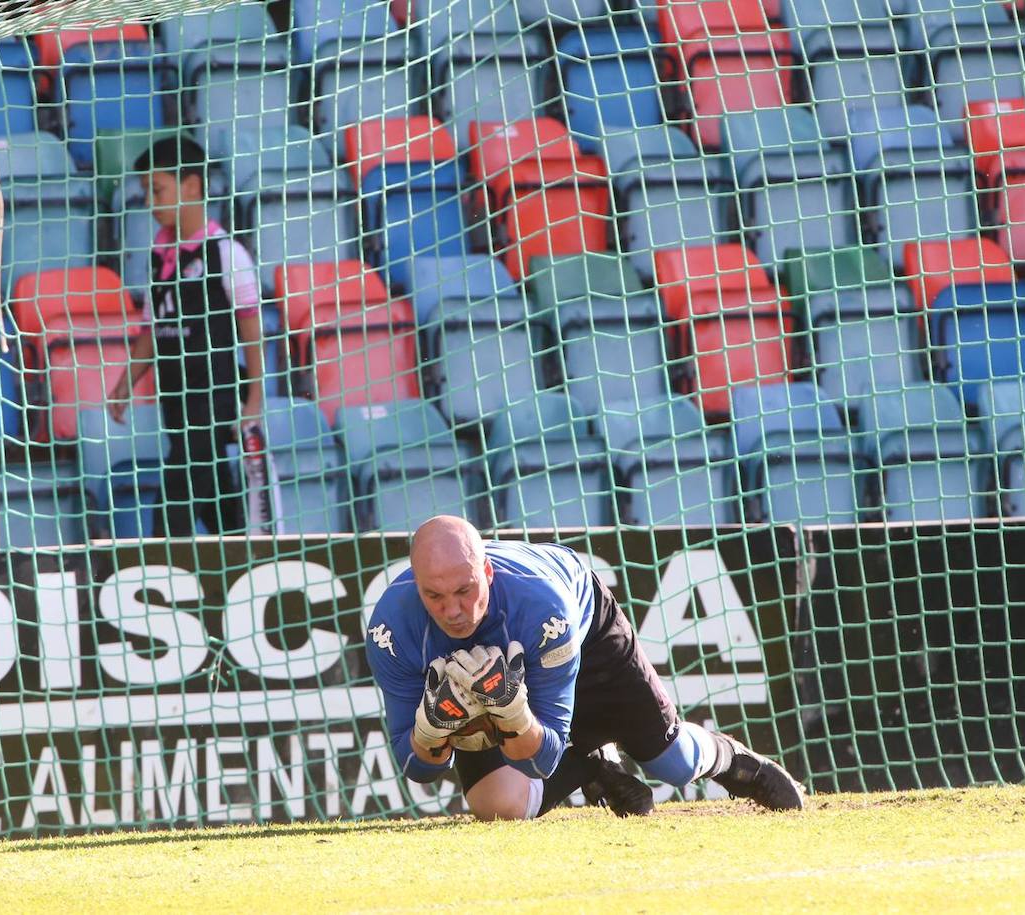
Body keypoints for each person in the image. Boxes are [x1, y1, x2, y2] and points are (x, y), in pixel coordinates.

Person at [364, 515, 806, 820]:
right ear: (415, 582)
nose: (453, 611)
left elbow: (546, 757)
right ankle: (596, 763)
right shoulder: (391, 627)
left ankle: (734, 760)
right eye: (434, 596)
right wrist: (431, 730)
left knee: (673, 763)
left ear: (488, 572)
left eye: (464, 590)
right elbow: (418, 768)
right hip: (496, 678)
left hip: (586, 634)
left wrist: (515, 716)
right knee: (496, 805)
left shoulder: (543, 608)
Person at [108, 136, 264, 537]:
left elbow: (251, 326)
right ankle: (240, 554)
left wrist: (255, 399)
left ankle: (163, 566)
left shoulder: (226, 253)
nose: (148, 202)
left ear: (192, 186)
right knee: (213, 489)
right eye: (145, 192)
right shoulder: (158, 255)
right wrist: (127, 381)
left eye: (156, 190)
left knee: (177, 486)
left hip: (214, 395)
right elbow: (153, 326)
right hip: (174, 399)